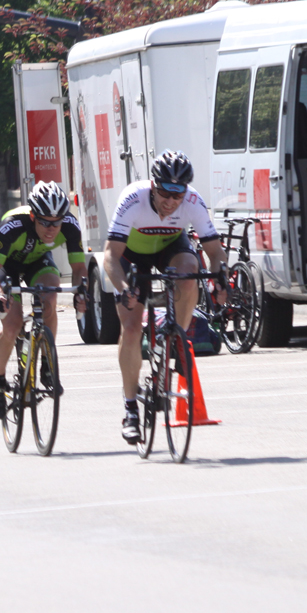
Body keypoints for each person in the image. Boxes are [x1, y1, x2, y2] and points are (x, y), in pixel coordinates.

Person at [104, 150, 226, 444]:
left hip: (169, 249)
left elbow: (215, 252)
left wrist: (220, 279)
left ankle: (178, 338)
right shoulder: (132, 199)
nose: (171, 201)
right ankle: (131, 409)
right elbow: (110, 255)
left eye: (178, 194)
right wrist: (123, 288)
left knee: (189, 272)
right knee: (132, 329)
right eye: (165, 192)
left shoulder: (193, 201)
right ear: (153, 184)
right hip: (131, 257)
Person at [0, 181, 87, 419]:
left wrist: (82, 291)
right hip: (6, 266)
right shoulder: (13, 226)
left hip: (37, 262)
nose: (51, 229)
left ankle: (47, 365)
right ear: (33, 216)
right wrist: (0, 294)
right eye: (44, 223)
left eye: (56, 223)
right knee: (13, 325)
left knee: (50, 296)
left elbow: (79, 267)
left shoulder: (70, 226)